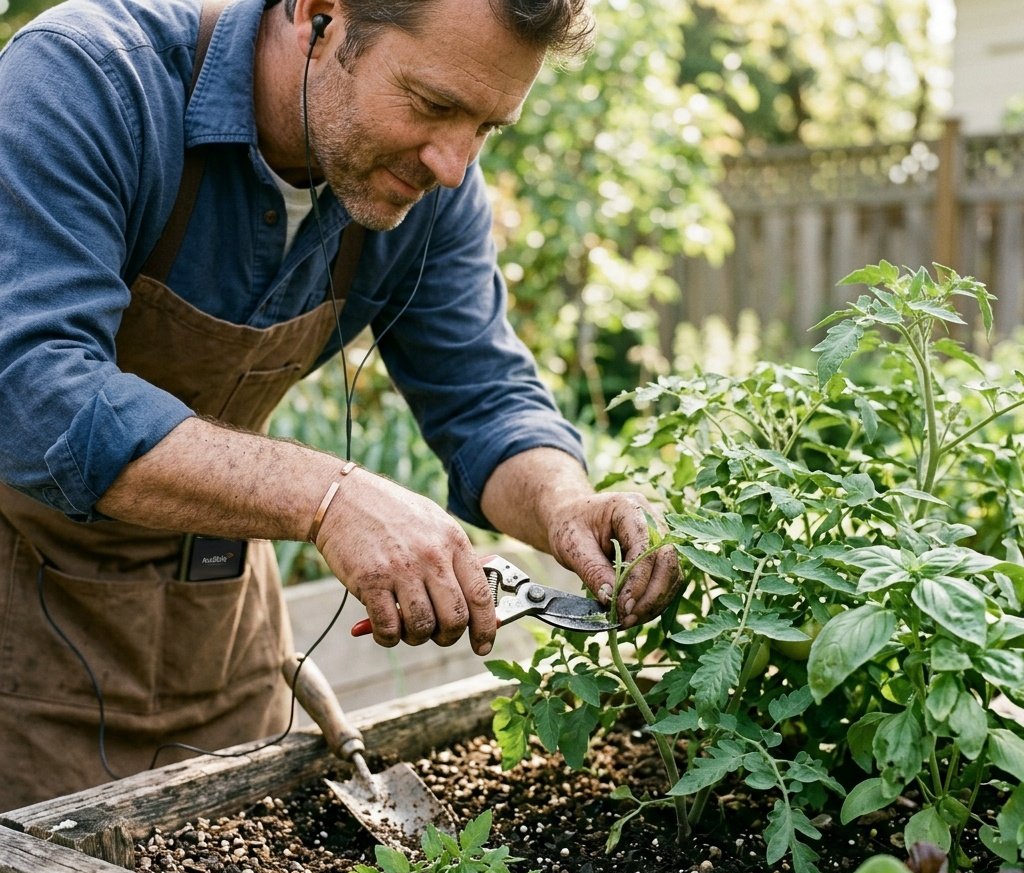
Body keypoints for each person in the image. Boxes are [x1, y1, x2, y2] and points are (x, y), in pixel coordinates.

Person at [0, 0, 681, 810]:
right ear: (318, 16)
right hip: (21, 641)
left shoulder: (429, 182)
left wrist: (568, 502)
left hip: (220, 641)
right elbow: (33, 389)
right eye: (433, 106)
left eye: (487, 128)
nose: (455, 162)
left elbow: (483, 395)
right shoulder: (89, 79)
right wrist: (328, 497)